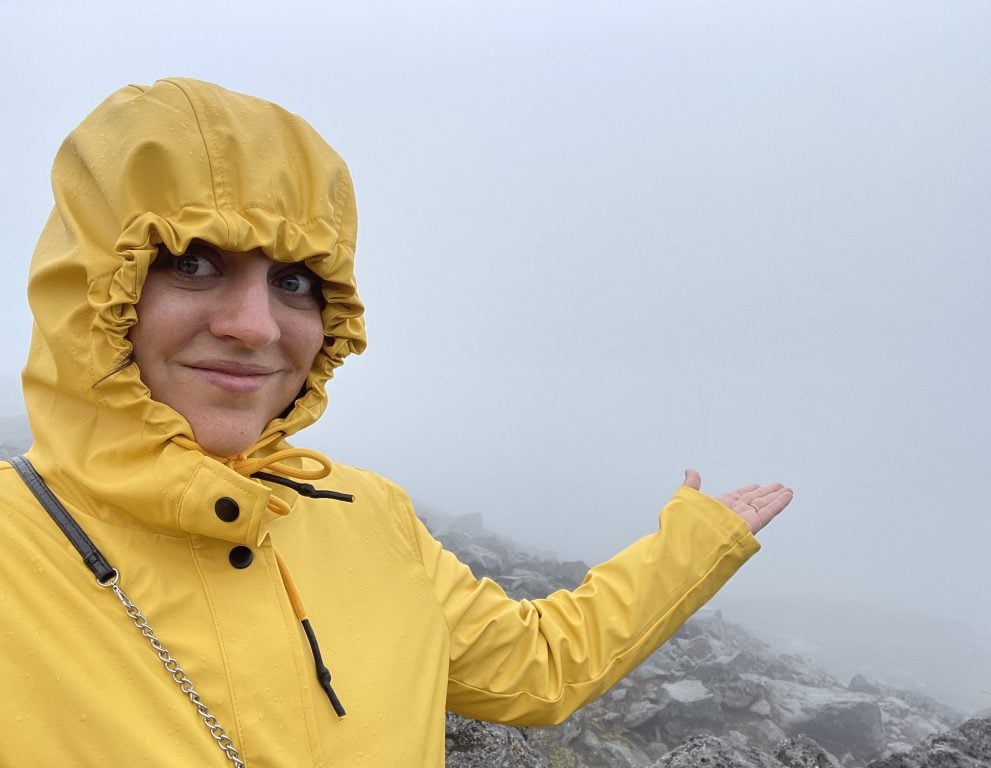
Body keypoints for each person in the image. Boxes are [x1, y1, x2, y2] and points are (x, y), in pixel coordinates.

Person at [0, 78, 792, 767]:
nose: (256, 326)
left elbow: (538, 666)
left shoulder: (368, 516)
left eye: (296, 281)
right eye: (192, 262)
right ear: (95, 284)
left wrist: (695, 545)